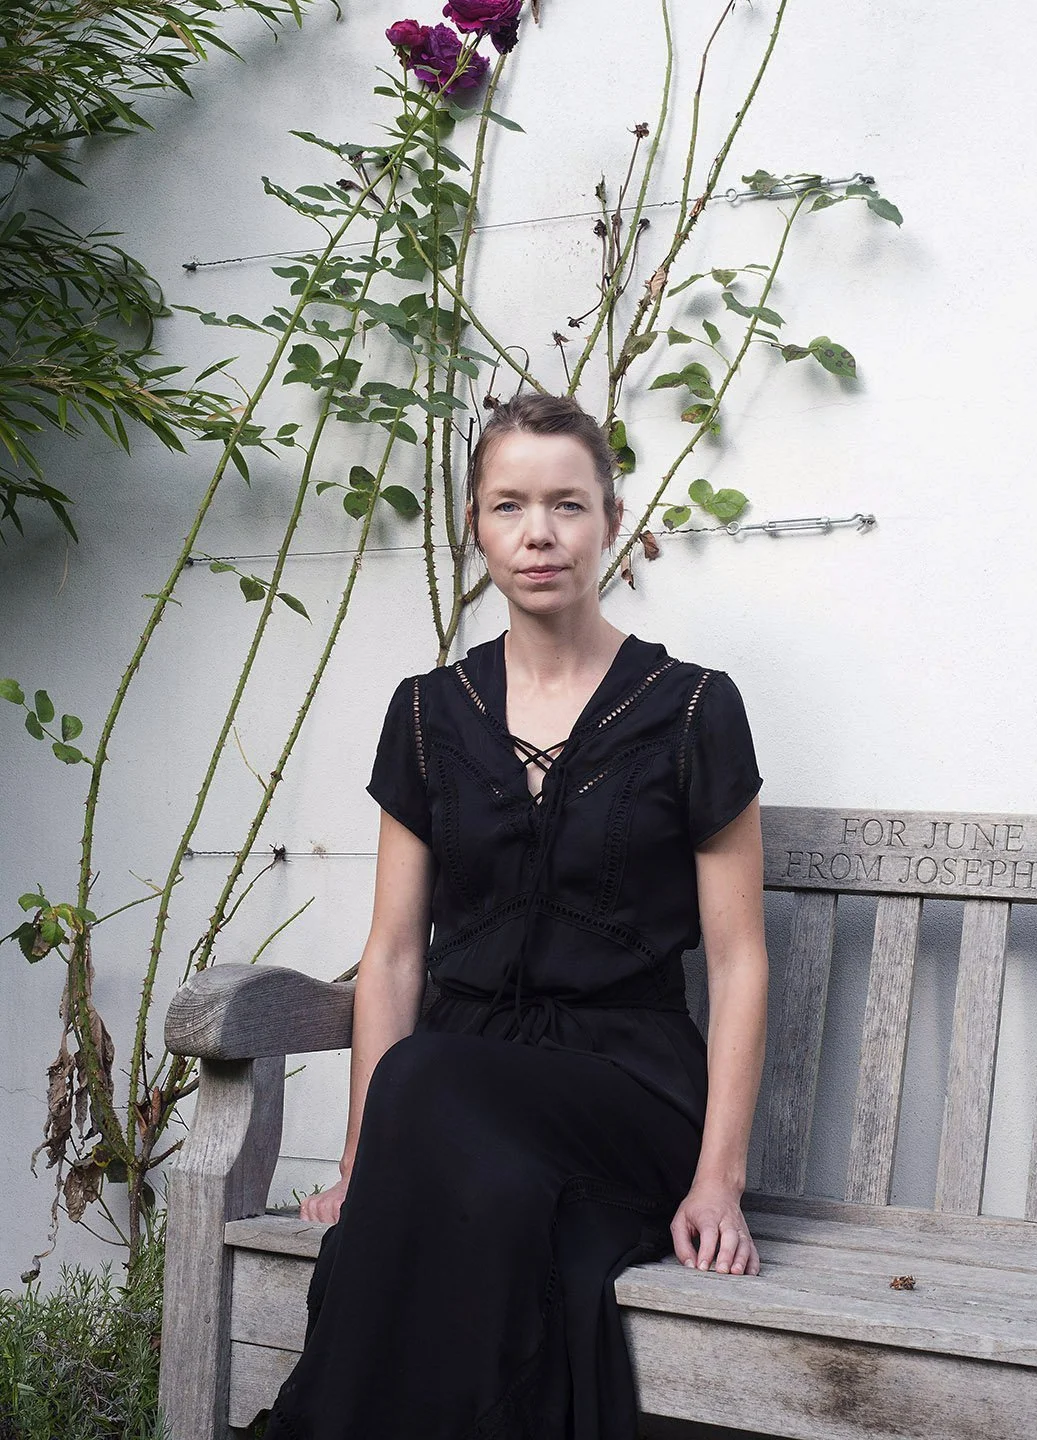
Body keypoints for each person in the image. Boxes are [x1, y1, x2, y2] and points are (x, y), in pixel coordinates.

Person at [263, 394, 768, 1440]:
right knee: (495, 1215)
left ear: (611, 521)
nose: (540, 535)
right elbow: (396, 956)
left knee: (429, 1084)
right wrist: (368, 1162)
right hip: (453, 1100)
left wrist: (719, 1179)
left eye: (567, 506)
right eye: (510, 507)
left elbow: (740, 961)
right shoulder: (425, 712)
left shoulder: (693, 708)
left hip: (627, 1090)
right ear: (476, 527)